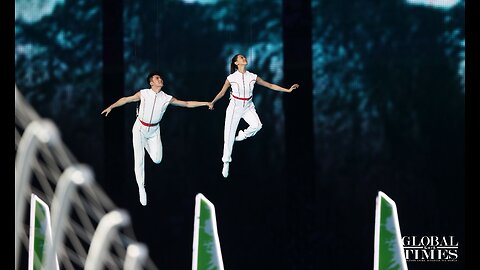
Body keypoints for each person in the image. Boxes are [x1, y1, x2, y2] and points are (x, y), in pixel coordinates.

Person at [101, 72, 212, 206]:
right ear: (151, 83)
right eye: (157, 78)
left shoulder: (166, 98)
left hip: (154, 131)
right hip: (140, 129)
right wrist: (111, 107)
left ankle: (145, 144)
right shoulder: (143, 93)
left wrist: (205, 103)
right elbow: (125, 99)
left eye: (160, 77)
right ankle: (141, 188)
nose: (160, 79)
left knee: (157, 159)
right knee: (139, 160)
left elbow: (187, 103)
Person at [210, 54, 299, 178]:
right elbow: (222, 92)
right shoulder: (231, 78)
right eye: (241, 58)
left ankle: (243, 134)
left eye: (244, 57)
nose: (244, 58)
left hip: (248, 106)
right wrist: (212, 102)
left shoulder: (252, 77)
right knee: (229, 136)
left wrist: (287, 90)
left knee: (257, 125)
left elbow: (270, 85)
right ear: (236, 63)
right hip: (235, 107)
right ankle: (226, 162)